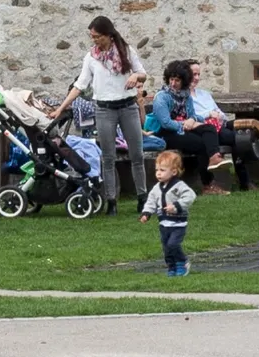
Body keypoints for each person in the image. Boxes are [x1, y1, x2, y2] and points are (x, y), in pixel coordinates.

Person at [57, 15, 148, 215]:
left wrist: (134, 76)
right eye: (92, 37)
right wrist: (61, 108)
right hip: (104, 108)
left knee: (137, 155)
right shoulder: (91, 57)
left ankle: (143, 198)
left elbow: (143, 73)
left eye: (97, 36)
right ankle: (111, 201)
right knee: (107, 157)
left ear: (108, 35)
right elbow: (80, 85)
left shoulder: (126, 51)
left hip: (127, 106)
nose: (95, 40)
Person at [149, 61, 222, 191]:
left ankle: (214, 157)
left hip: (183, 129)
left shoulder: (186, 96)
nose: (173, 83)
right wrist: (184, 124)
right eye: (171, 79)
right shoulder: (162, 97)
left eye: (177, 80)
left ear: (184, 81)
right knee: (200, 144)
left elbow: (194, 115)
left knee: (209, 129)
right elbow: (166, 123)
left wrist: (192, 119)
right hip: (166, 133)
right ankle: (208, 184)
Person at [187, 59, 252, 191]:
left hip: (217, 126)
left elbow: (221, 114)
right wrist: (209, 114)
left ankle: (244, 180)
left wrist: (218, 115)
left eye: (198, 74)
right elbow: (191, 116)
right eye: (194, 74)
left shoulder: (204, 94)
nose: (197, 78)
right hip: (201, 129)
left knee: (239, 136)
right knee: (224, 138)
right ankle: (212, 184)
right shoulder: (183, 96)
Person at [140, 149, 196, 276]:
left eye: (162, 170)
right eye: (157, 170)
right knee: (166, 247)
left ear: (174, 171)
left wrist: (176, 206)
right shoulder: (156, 188)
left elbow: (190, 196)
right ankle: (171, 267)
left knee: (173, 244)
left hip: (178, 224)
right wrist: (146, 213)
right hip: (164, 224)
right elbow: (151, 201)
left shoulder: (179, 186)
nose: (158, 174)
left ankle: (182, 263)